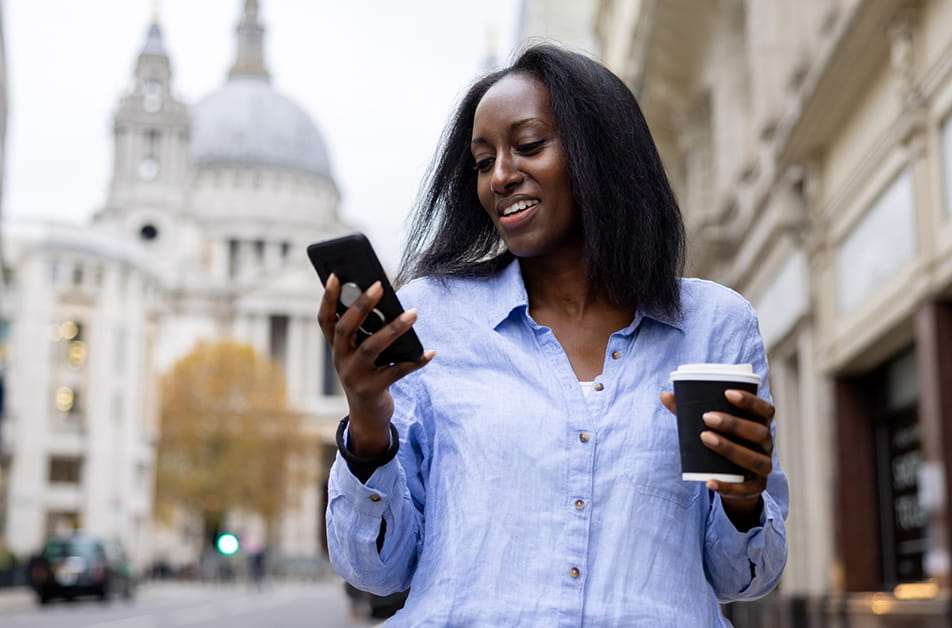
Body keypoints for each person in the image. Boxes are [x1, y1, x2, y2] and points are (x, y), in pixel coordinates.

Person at [318, 44, 787, 626]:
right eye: (483, 161)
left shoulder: (715, 325)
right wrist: (367, 421)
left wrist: (743, 497)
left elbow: (744, 577)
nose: (500, 177)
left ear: (602, 154)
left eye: (529, 146)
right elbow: (374, 569)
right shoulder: (431, 316)